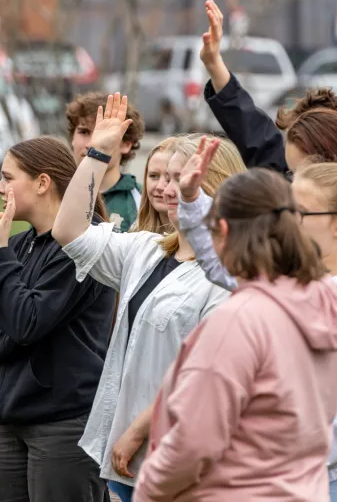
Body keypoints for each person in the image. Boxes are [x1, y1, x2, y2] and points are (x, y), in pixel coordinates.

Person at [198, 1, 337, 491]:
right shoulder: (308, 209)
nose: (292, 213)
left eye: (302, 178)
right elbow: (257, 137)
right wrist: (217, 67)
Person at [177, 138, 337, 500]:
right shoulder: (291, 276)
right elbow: (222, 263)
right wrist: (193, 200)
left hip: (325, 483)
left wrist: (269, 464)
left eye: (298, 213)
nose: (286, 222)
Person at [50, 93, 243, 502]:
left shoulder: (229, 278)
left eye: (180, 177)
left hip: (179, 456)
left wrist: (140, 428)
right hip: (124, 453)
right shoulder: (148, 248)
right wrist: (98, 154)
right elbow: (68, 230)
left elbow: (203, 374)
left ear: (216, 184)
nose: (167, 188)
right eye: (164, 177)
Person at [134, 167, 337, 501]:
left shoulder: (240, 320)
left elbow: (195, 441)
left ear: (222, 231)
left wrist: (149, 487)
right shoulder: (321, 299)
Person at [0, 136, 115, 502]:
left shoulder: (81, 247)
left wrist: (0, 258)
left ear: (42, 182)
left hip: (62, 425)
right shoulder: (19, 245)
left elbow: (26, 323)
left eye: (7, 177)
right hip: (9, 418)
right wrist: (19, 332)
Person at [65, 92, 145, 232]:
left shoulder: (143, 200)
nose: (92, 143)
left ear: (126, 144)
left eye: (105, 133)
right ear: (72, 138)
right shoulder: (55, 193)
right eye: (84, 132)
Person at [130, 136, 177, 234]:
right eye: (154, 176)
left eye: (169, 179)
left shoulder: (202, 239)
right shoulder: (135, 233)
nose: (159, 186)